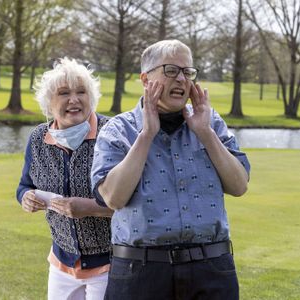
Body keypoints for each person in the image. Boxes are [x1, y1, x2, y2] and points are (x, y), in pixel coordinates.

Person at [91, 40, 251, 300]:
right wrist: (146, 135)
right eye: (171, 70)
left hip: (211, 269)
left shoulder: (211, 123)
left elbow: (239, 185)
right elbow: (113, 197)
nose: (181, 79)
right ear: (145, 79)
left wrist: (205, 133)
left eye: (188, 72)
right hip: (141, 272)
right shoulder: (118, 130)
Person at [16, 57, 113, 300]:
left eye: (82, 92)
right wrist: (25, 198)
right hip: (61, 261)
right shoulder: (38, 138)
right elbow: (24, 185)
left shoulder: (112, 134)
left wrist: (89, 208)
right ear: (49, 102)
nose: (74, 99)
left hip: (111, 263)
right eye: (64, 93)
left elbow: (136, 202)